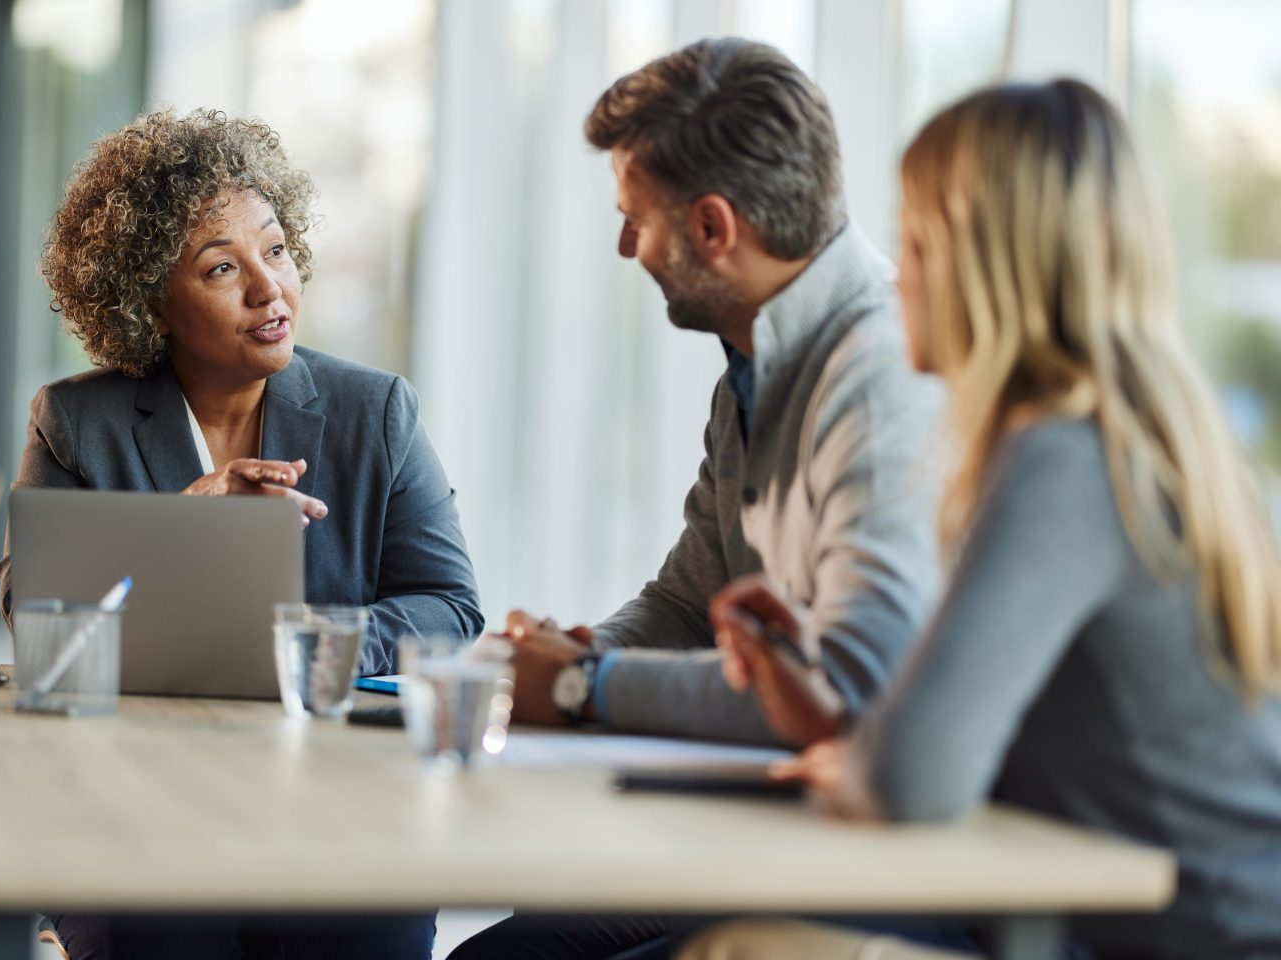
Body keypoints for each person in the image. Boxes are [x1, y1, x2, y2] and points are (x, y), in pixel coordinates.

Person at [699, 79, 1281, 959]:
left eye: (920, 243)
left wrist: (863, 761)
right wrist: (831, 720)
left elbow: (913, 779)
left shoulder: (1065, 461)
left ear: (987, 267)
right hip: (1154, 927)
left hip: (1190, 944)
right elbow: (989, 749)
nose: (899, 276)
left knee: (747, 951)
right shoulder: (1116, 442)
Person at [450, 38, 942, 960]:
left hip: (883, 865)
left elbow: (851, 684)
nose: (624, 244)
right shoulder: (754, 361)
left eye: (634, 217)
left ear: (714, 227)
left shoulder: (879, 382)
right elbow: (686, 601)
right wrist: (573, 651)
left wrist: (579, 685)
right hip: (776, 830)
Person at [0, 108, 476, 960]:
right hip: (134, 806)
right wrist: (185, 524)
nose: (271, 289)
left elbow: (451, 610)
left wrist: (306, 647)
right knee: (166, 930)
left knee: (374, 933)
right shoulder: (76, 419)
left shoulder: (378, 413)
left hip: (337, 804)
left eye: (278, 251)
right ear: (150, 301)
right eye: (223, 268)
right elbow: (38, 616)